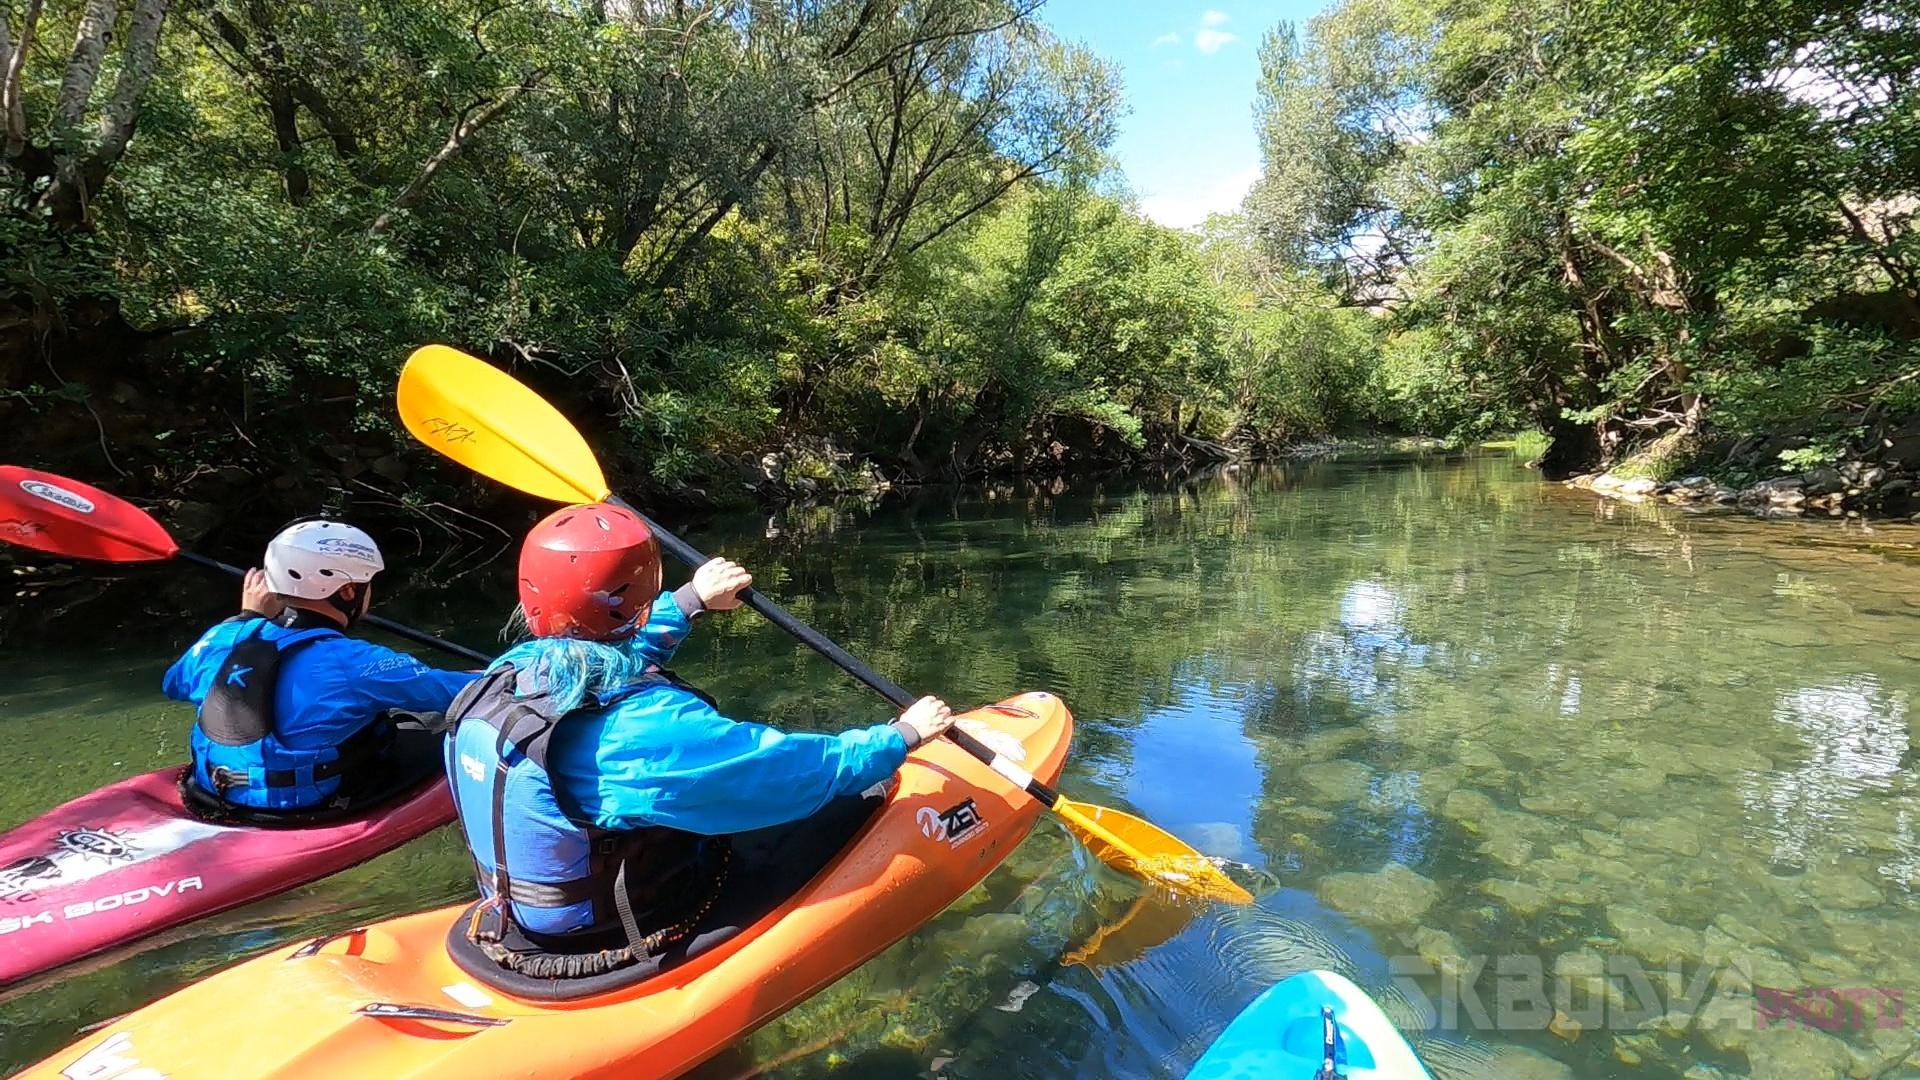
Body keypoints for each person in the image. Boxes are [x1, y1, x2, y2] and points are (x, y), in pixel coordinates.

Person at [446, 502, 954, 976]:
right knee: (858, 795)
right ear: (637, 593)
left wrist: (690, 602)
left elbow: (605, 654)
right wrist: (898, 738)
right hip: (609, 932)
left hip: (519, 913)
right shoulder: (647, 730)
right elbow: (789, 770)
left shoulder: (511, 673)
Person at [162, 520, 479, 813]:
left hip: (210, 790)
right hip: (304, 806)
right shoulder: (357, 661)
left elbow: (174, 683)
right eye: (368, 584)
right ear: (348, 592)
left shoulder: (228, 637)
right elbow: (461, 695)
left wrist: (246, 618)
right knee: (446, 723)